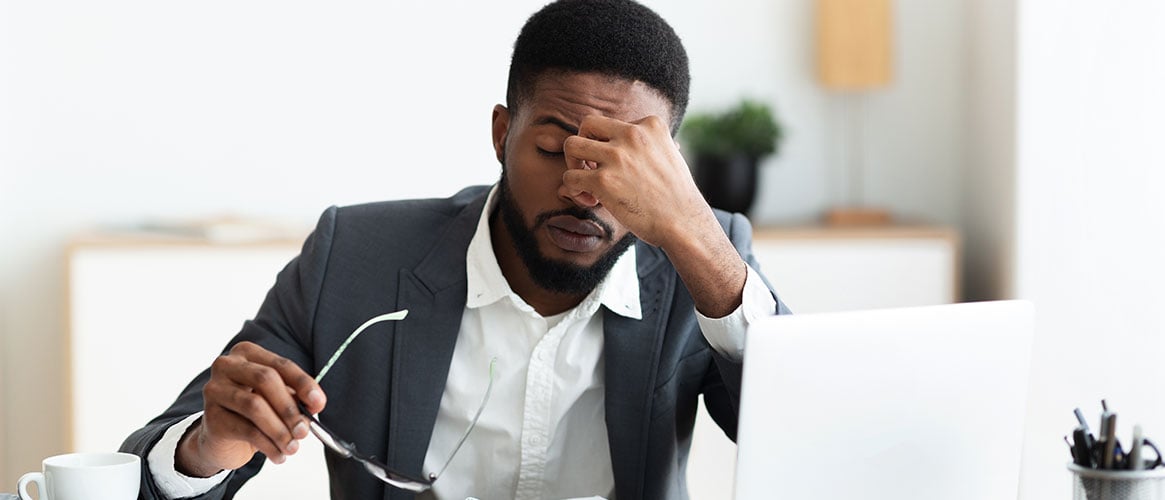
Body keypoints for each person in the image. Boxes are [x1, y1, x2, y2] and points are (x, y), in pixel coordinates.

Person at [121, 1, 789, 498]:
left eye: (622, 164)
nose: (584, 193)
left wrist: (695, 235)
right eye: (554, 149)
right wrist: (207, 447)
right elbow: (147, 475)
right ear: (502, 133)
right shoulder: (354, 257)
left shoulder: (703, 263)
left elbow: (809, 439)